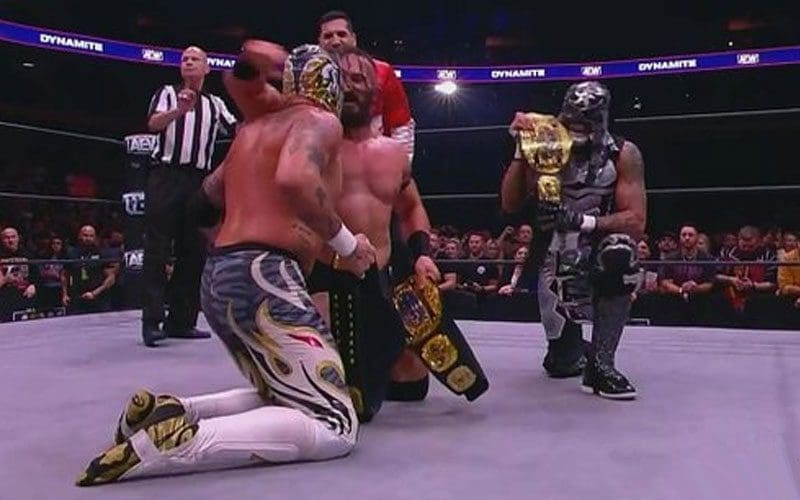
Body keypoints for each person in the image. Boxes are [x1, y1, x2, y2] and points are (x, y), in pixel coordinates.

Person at [76, 44, 376, 486]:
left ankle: (174, 412)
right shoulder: (318, 120)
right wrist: (348, 245)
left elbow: (205, 200)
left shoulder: (253, 131)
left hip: (221, 274)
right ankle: (181, 443)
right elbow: (295, 178)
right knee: (334, 422)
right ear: (329, 86)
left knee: (282, 392)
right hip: (266, 277)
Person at [501, 81, 647, 400]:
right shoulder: (545, 145)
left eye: (586, 121)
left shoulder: (623, 154)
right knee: (562, 363)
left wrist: (583, 221)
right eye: (572, 120)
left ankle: (602, 364)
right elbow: (510, 204)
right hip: (552, 252)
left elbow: (636, 221)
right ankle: (574, 348)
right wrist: (520, 150)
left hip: (597, 248)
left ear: (602, 119)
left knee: (621, 251)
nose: (577, 128)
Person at [141, 45, 238, 347]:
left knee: (194, 250)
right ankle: (152, 322)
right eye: (185, 59)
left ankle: (182, 321)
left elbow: (238, 131)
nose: (189, 62)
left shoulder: (215, 103)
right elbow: (153, 124)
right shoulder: (167, 93)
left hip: (198, 181)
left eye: (195, 59)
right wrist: (179, 111)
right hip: (166, 176)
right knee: (157, 248)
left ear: (207, 68)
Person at [317, 10, 415, 161]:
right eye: (328, 36)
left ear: (353, 39)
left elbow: (401, 125)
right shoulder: (310, 77)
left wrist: (400, 164)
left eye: (341, 34)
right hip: (328, 159)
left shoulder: (382, 72)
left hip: (375, 158)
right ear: (320, 43)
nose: (335, 41)